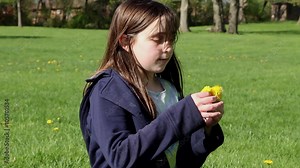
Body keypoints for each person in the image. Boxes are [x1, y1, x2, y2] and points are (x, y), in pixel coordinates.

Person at [79, 0, 224, 167]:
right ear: (126, 41)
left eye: (171, 38)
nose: (168, 47)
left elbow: (182, 160)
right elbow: (120, 157)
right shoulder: (107, 91)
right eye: (158, 39)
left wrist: (204, 129)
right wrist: (181, 115)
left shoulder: (169, 90)